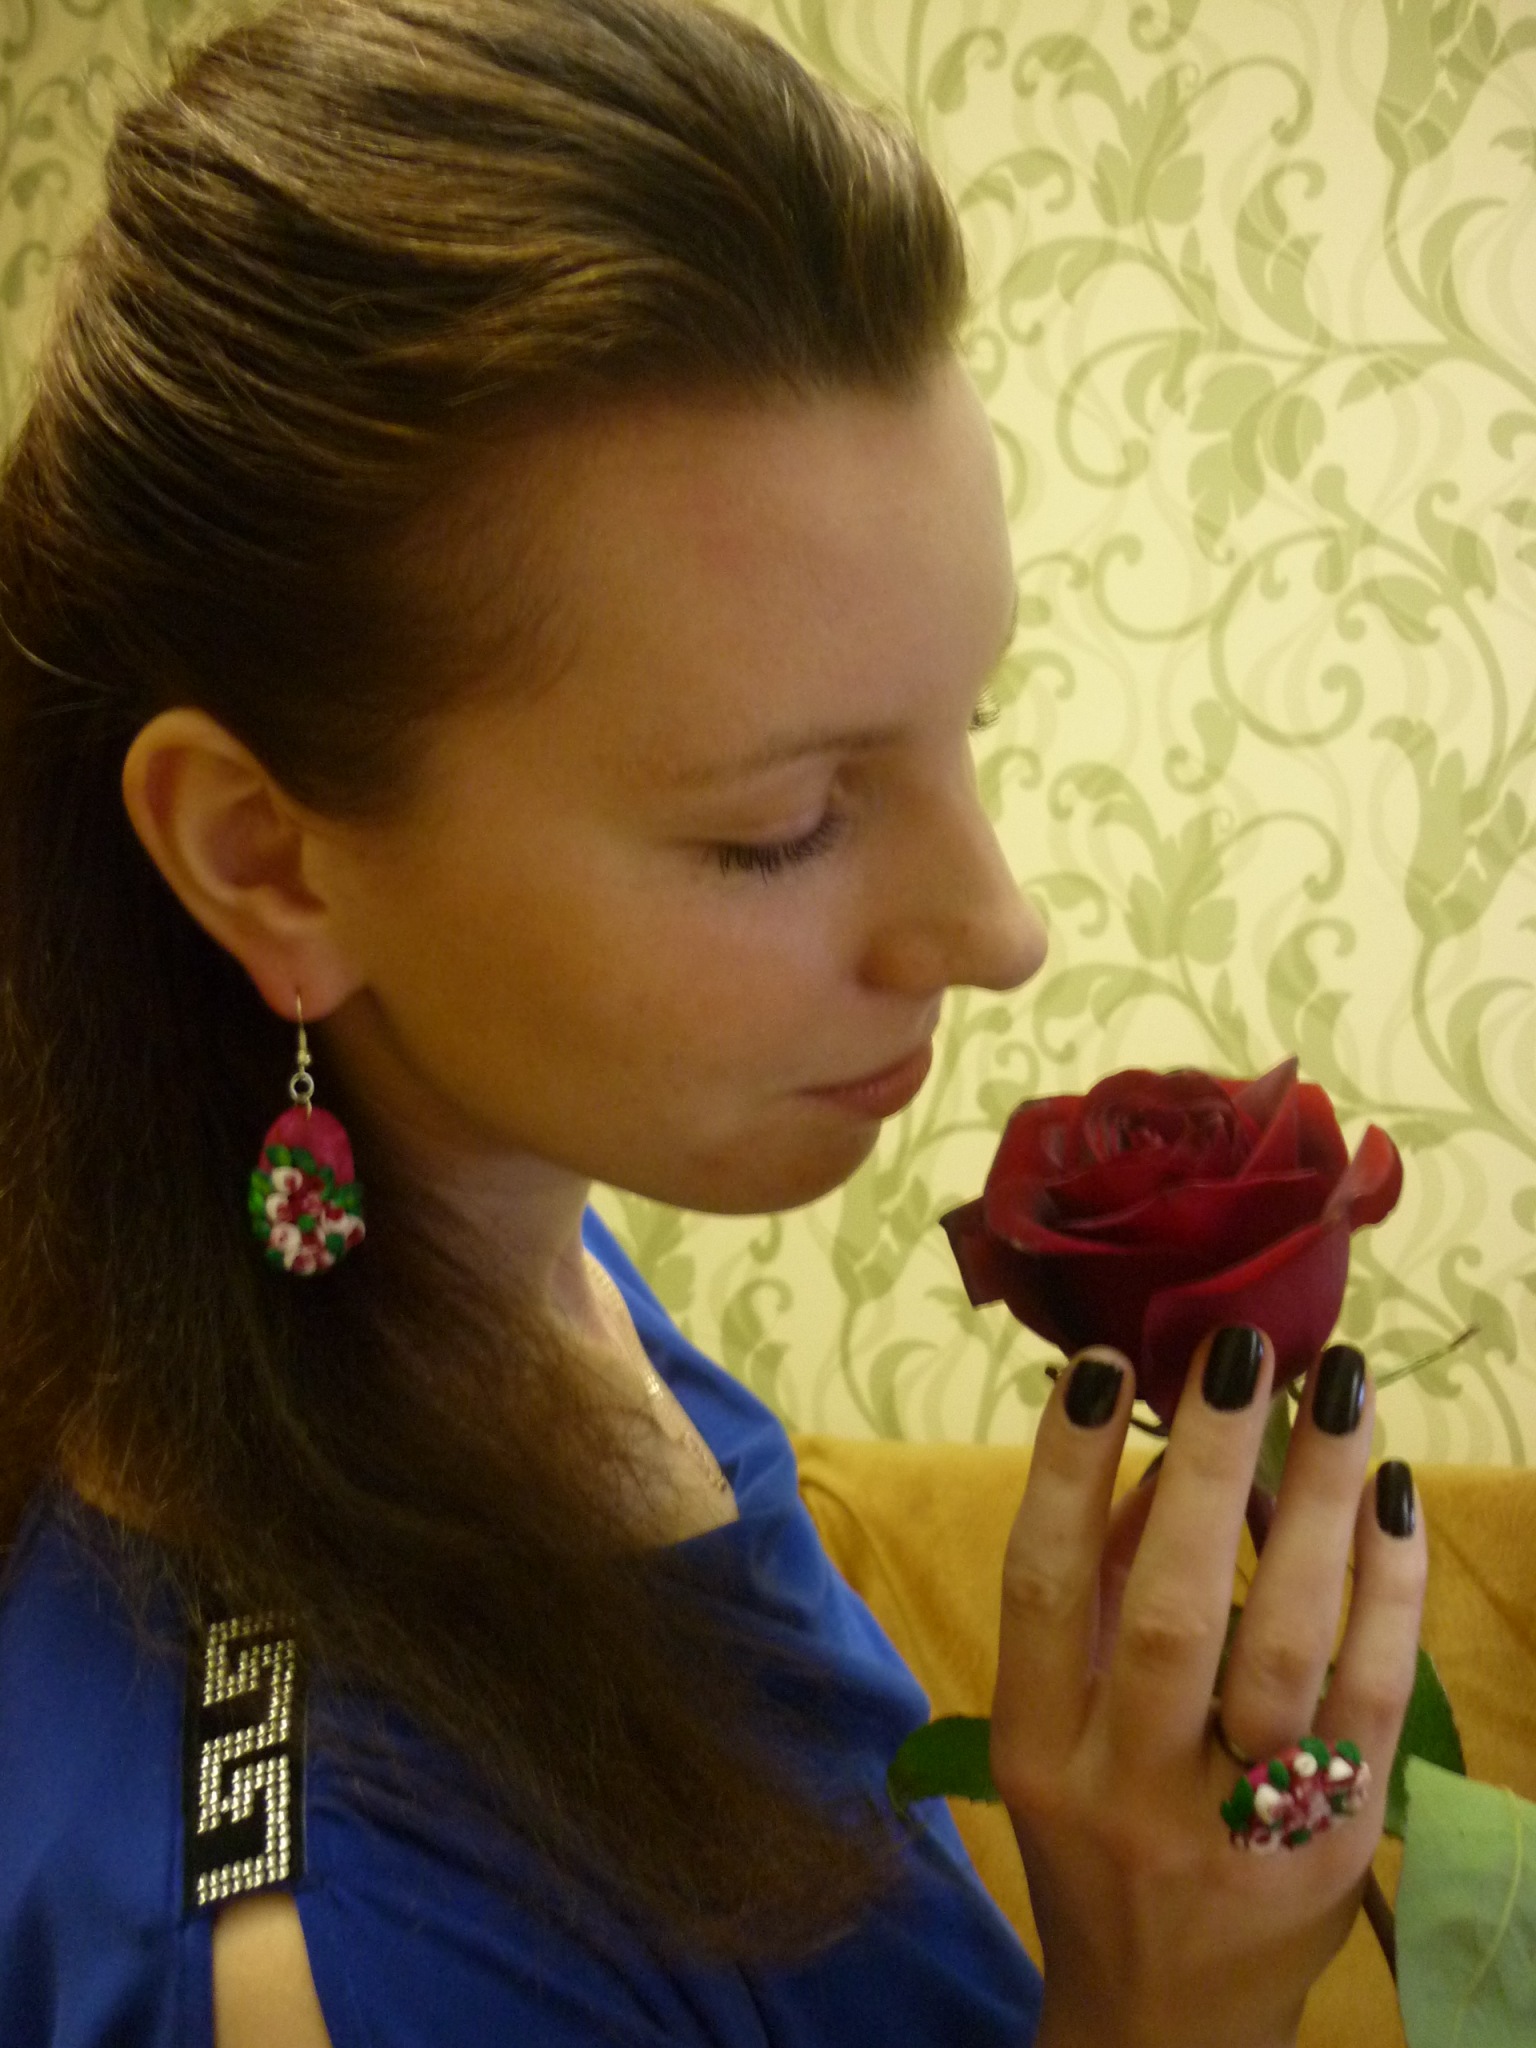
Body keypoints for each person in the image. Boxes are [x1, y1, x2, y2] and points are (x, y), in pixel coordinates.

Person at [0, 1, 1427, 2043]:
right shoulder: (328, 1965)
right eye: (784, 823)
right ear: (270, 860)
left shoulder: (512, 1272)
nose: (1001, 927)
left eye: (965, 720)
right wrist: (1167, 2006)